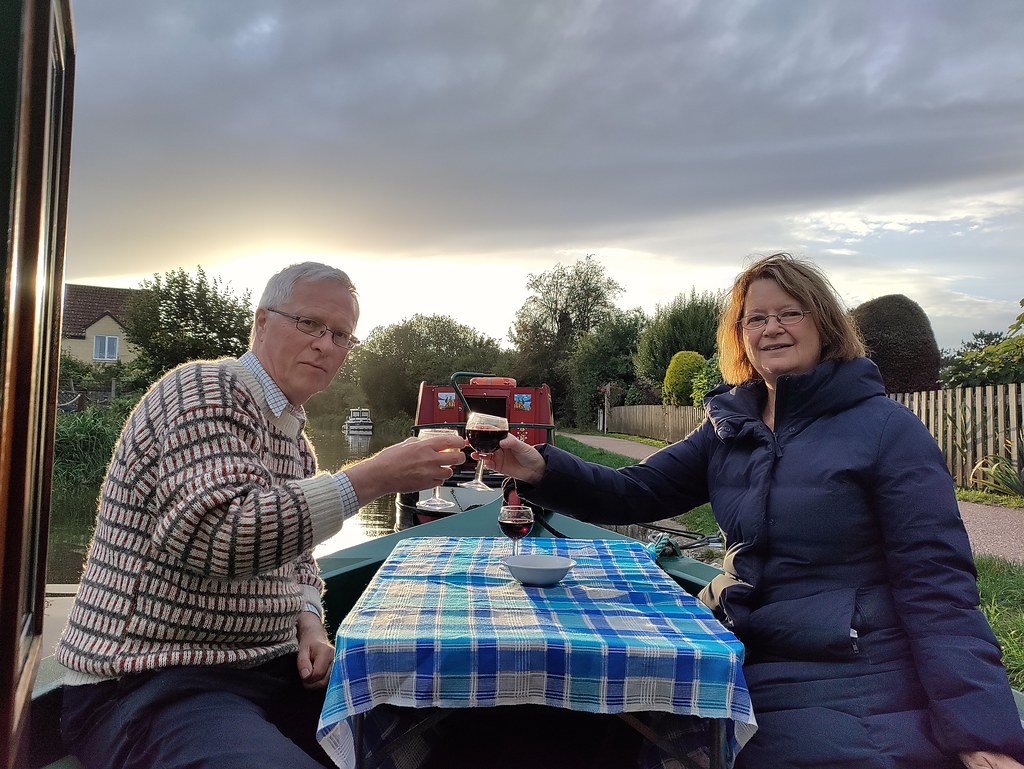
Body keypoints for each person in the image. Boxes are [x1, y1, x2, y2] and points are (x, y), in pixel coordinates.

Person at [486, 253, 1024, 768]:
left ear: (826, 325)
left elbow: (937, 583)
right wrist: (538, 468)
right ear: (740, 336)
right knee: (590, 725)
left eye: (790, 313)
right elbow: (637, 492)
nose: (772, 328)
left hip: (847, 662)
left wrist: (982, 732)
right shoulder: (730, 425)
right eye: (756, 319)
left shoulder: (887, 430)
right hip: (736, 641)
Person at [56, 262, 465, 769]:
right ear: (262, 322)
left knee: (447, 723)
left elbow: (298, 566)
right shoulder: (202, 390)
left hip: (268, 669)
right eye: (309, 323)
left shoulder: (297, 443)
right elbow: (217, 537)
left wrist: (311, 626)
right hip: (151, 680)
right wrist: (373, 477)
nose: (325, 344)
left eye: (340, 335)